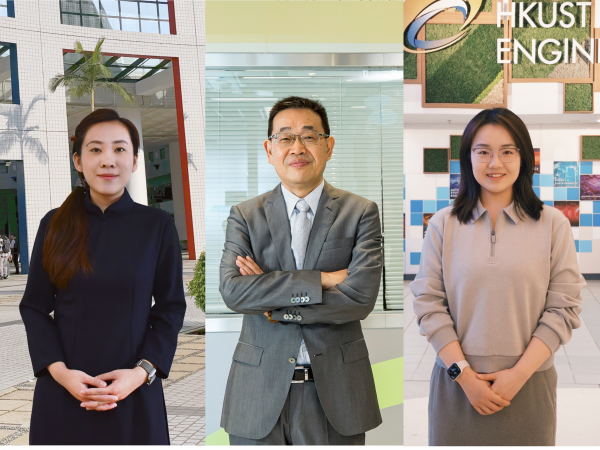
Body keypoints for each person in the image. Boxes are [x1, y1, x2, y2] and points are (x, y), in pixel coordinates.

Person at [411, 108, 585, 447]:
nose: (495, 163)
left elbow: (564, 308)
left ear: (524, 158)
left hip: (529, 385)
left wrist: (517, 376)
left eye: (507, 151)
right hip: (457, 384)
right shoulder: (443, 225)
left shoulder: (552, 224)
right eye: (483, 152)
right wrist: (465, 378)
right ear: (468, 158)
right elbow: (428, 304)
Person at [219, 96, 383, 446]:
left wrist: (271, 304)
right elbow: (233, 291)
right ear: (269, 148)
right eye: (285, 137)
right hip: (257, 394)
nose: (297, 147)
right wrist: (322, 280)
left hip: (337, 395)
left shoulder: (361, 212)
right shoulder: (246, 215)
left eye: (309, 136)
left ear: (328, 146)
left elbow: (360, 299)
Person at [19, 109, 186, 445]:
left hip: (133, 392)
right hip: (65, 394)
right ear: (78, 161)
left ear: (135, 160)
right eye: (96, 149)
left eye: (120, 149)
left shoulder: (156, 226)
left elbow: (170, 308)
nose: (108, 160)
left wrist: (142, 373)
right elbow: (34, 307)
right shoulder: (55, 225)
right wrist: (61, 374)